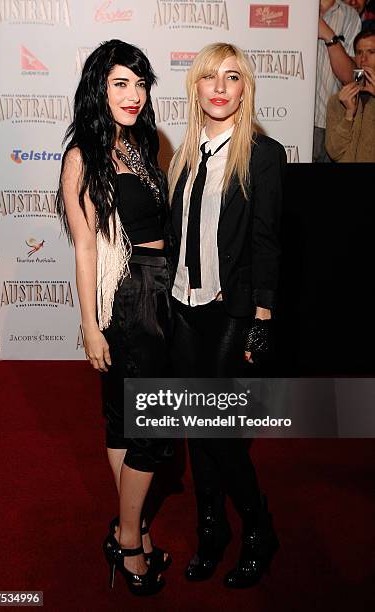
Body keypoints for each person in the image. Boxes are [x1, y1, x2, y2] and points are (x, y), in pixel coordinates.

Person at [56, 39, 172, 596]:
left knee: (128, 420)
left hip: (163, 285)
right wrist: (90, 325)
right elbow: (84, 247)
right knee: (147, 427)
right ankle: (129, 541)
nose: (134, 95)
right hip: (128, 299)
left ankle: (132, 529)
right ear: (98, 89)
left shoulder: (144, 144)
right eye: (121, 83)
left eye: (140, 83)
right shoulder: (84, 156)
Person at [168, 42, 286, 588]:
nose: (219, 86)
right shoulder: (187, 153)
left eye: (232, 77)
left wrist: (261, 319)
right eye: (209, 76)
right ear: (196, 87)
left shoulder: (263, 153)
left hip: (230, 308)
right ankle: (211, 529)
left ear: (245, 89)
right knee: (197, 427)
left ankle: (259, 528)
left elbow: (266, 240)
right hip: (183, 305)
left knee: (217, 428)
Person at [314, 0, 361, 162]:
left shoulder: (349, 15)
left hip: (331, 123)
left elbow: (352, 77)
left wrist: (328, 35)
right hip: (289, 118)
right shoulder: (292, 8)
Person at [326, 27, 375, 161]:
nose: (363, 59)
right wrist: (348, 115)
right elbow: (334, 152)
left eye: (371, 52)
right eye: (359, 52)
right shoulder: (338, 100)